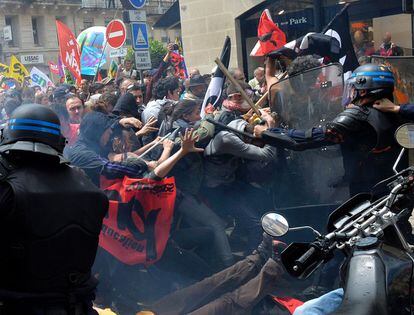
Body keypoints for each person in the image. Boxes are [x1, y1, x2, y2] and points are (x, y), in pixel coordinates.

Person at [0, 104, 108, 314]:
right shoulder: (86, 184)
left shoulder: (8, 190)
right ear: (58, 142)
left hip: (19, 306)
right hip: (76, 305)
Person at [254, 63, 403, 196]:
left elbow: (304, 140)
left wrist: (267, 132)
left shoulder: (357, 116)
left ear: (363, 91)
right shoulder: (398, 113)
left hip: (366, 195)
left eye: (353, 88)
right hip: (393, 190)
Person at [203, 118, 277, 252]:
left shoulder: (239, 126)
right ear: (249, 139)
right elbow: (267, 154)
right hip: (216, 189)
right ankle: (252, 260)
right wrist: (272, 131)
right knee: (256, 224)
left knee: (264, 199)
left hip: (230, 183)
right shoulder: (227, 139)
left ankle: (237, 240)